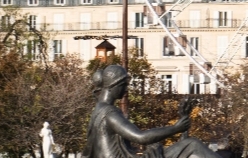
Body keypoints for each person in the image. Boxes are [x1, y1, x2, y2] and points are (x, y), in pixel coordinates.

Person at [84, 64, 218, 158]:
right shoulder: (110, 113)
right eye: (124, 85)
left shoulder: (99, 110)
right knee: (192, 145)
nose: (126, 90)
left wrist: (182, 125)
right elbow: (141, 137)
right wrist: (176, 127)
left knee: (187, 146)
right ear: (114, 86)